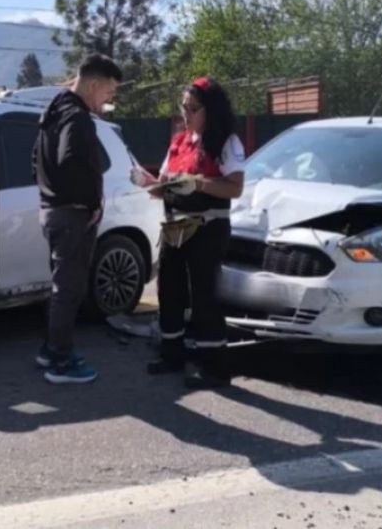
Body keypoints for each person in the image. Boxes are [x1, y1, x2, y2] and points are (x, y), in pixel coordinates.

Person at [132, 76, 245, 389]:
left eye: (193, 109)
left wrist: (199, 183)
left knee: (203, 295)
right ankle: (173, 354)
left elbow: (235, 188)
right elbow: (163, 185)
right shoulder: (180, 141)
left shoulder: (225, 142)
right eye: (183, 107)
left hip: (208, 226)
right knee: (168, 288)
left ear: (211, 110)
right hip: (176, 224)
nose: (186, 114)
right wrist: (147, 183)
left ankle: (215, 369)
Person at [32, 54, 123, 384]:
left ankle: (50, 349)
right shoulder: (77, 117)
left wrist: (48, 193)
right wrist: (89, 202)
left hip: (53, 210)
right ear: (94, 85)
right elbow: (69, 160)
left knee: (62, 286)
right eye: (109, 91)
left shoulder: (54, 109)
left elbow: (36, 158)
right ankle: (60, 362)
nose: (108, 100)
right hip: (71, 215)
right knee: (69, 289)